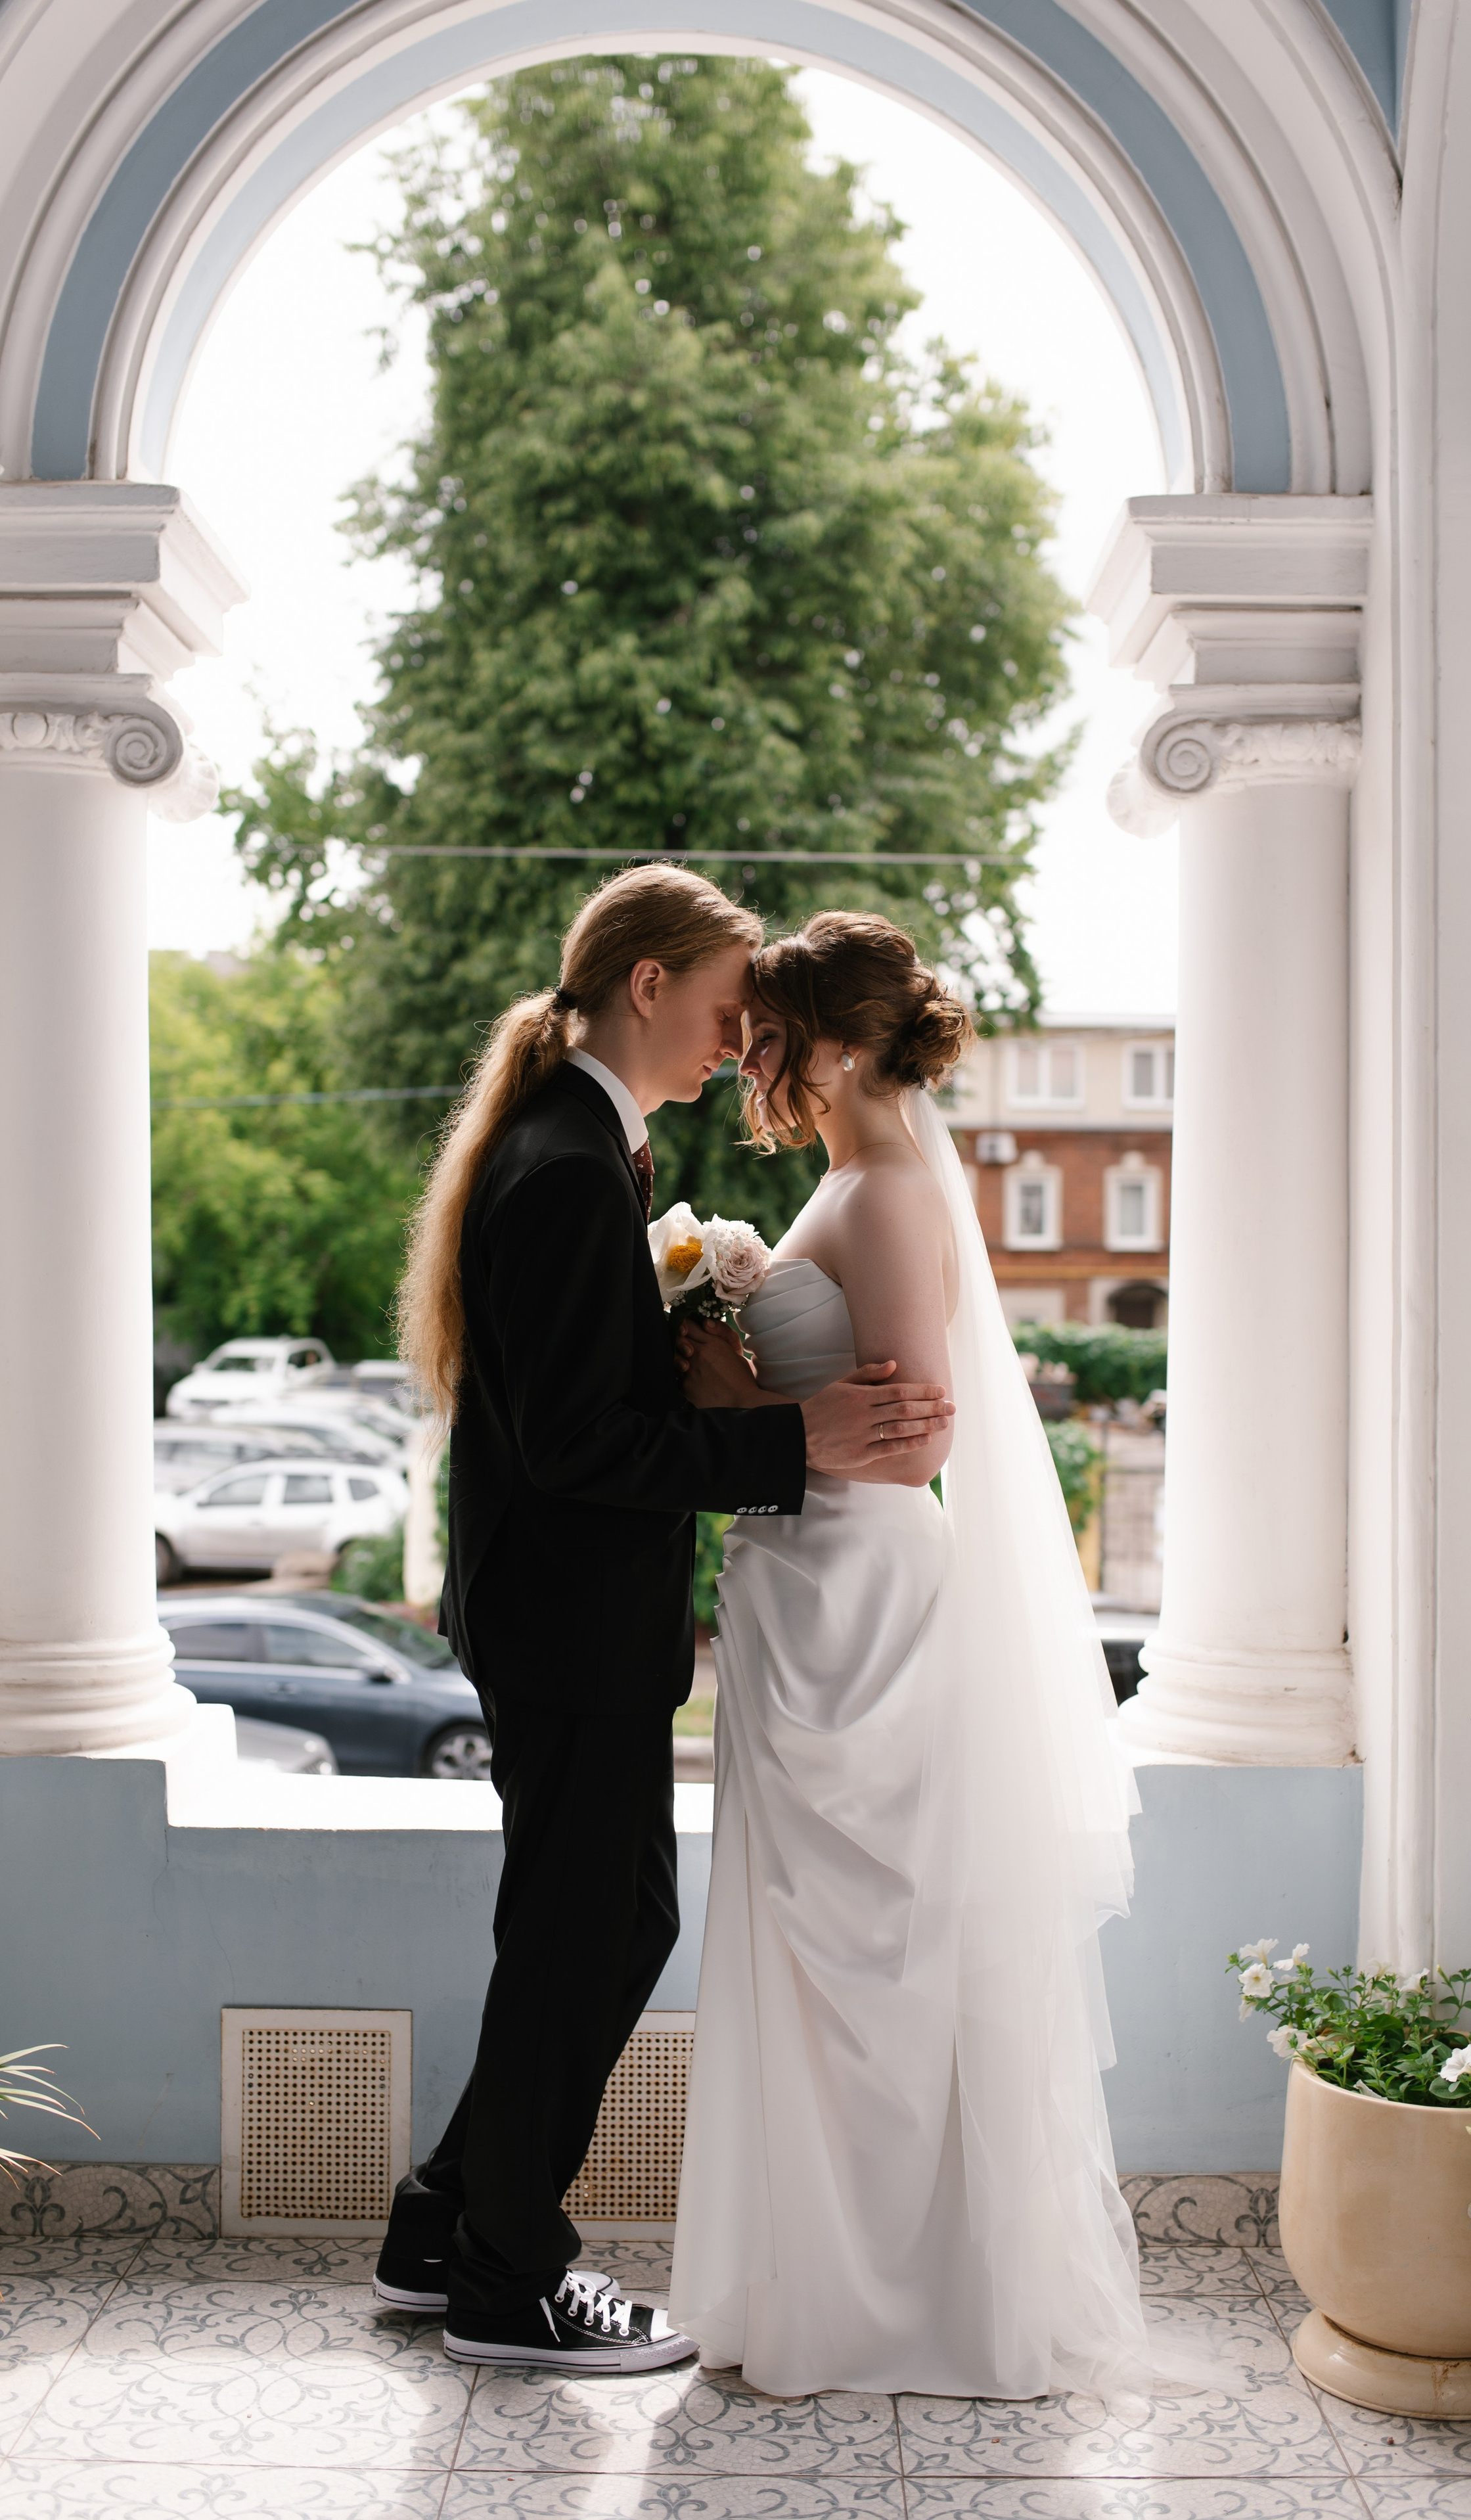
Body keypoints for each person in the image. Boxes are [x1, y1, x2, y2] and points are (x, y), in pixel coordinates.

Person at [373, 868, 957, 2375]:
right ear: (644, 985)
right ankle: (509, 2273)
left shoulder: (575, 1141)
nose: (727, 1040)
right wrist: (792, 1445)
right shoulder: (569, 1159)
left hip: (558, 1605)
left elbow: (584, 1410)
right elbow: (579, 1445)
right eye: (713, 1010)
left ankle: (444, 2223)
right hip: (569, 1611)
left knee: (572, 1918)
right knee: (602, 1920)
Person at [668, 909, 1151, 2399]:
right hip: (805, 1584)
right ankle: (813, 2277)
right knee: (813, 1956)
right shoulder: (848, 1182)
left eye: (777, 1034)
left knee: (864, 1953)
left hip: (856, 1595)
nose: (757, 1058)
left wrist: (729, 1377)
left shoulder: (881, 1197)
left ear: (853, 1042)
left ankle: (883, 2298)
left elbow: (908, 1430)